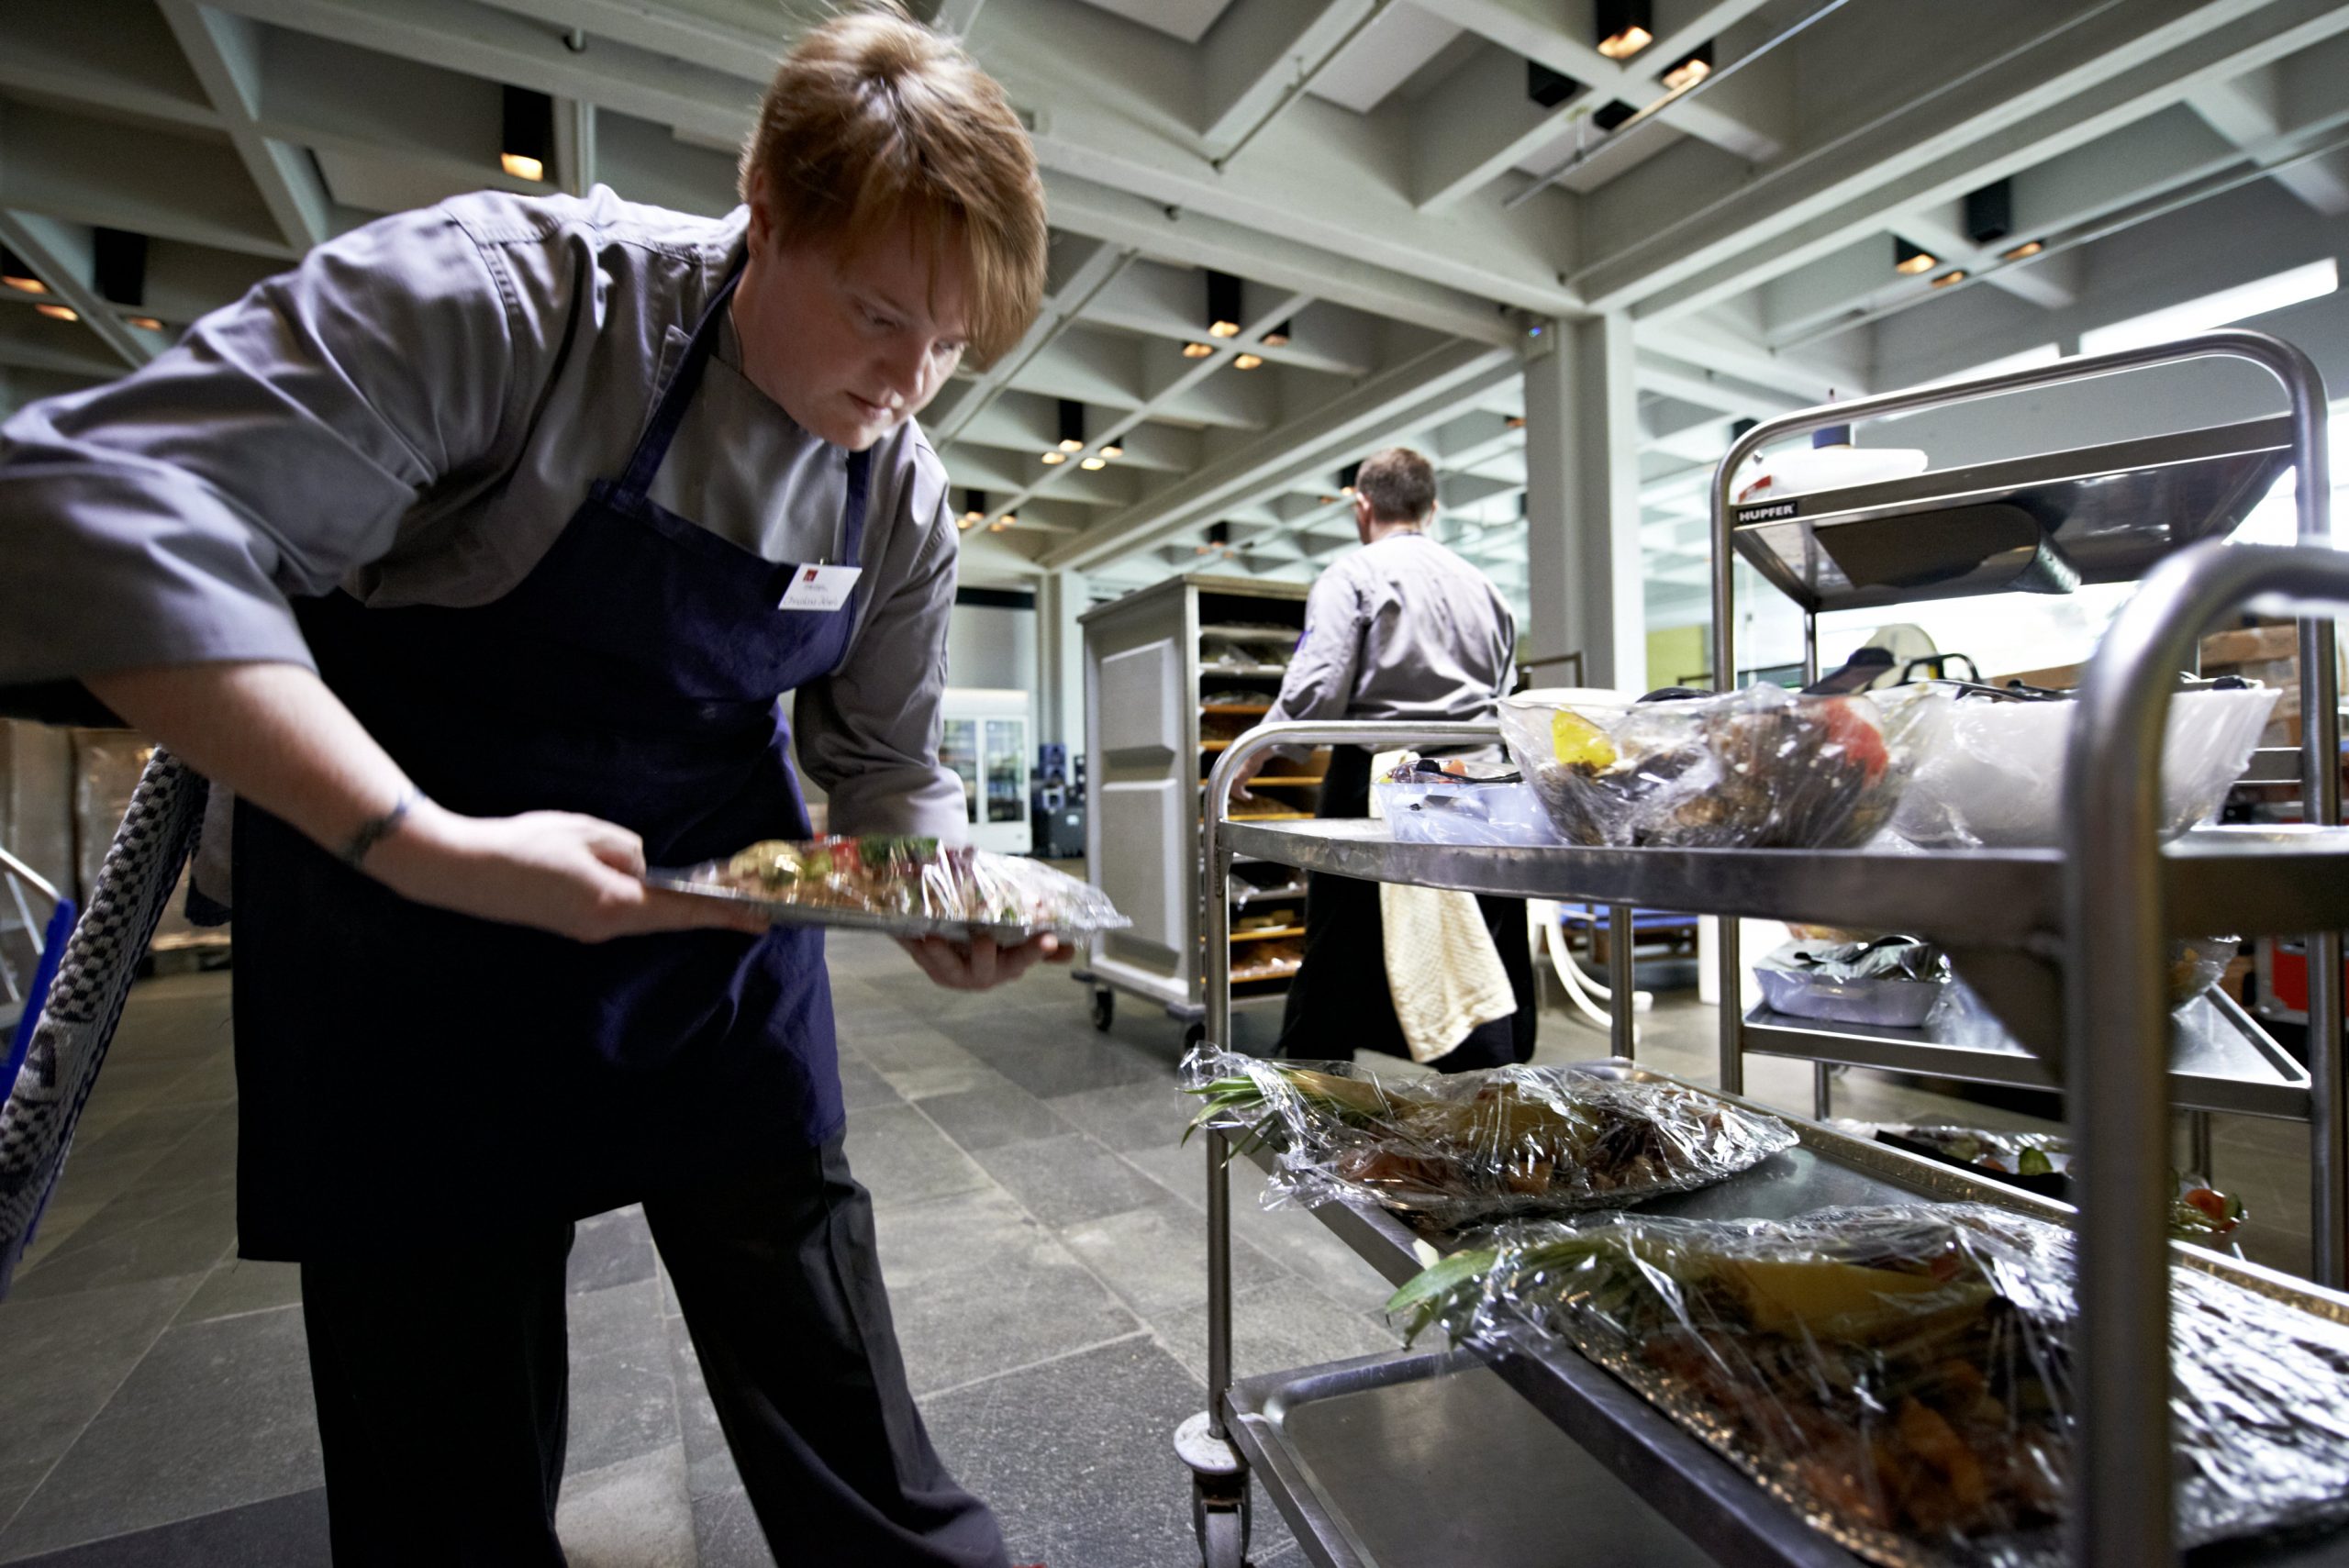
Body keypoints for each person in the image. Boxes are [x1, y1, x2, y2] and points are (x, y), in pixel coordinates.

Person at [0, 9, 1052, 1565]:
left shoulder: (893, 488)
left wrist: (939, 884)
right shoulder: (517, 301)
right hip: (400, 910)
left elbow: (886, 760)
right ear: (764, 207)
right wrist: (419, 843)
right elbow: (91, 504)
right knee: (449, 1434)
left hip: (704, 912)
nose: (910, 382)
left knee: (824, 1342)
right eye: (879, 315)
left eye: (955, 346)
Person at [1228, 447, 1536, 1072]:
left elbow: (1317, 686)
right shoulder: (1487, 587)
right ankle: (1488, 1094)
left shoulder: (1353, 576)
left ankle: (1320, 1096)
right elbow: (1504, 695)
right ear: (1432, 508)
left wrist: (1258, 751)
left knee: (1340, 950)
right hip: (1480, 781)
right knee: (1476, 943)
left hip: (1384, 782)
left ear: (1361, 505)